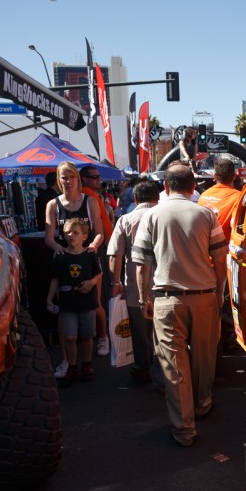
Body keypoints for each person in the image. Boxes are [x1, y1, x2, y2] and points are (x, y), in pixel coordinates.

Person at [133, 163, 228, 447]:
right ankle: (202, 403)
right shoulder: (207, 214)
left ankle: (184, 429)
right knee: (204, 356)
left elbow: (142, 265)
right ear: (192, 187)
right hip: (204, 297)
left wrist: (143, 298)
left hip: (166, 299)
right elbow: (221, 260)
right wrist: (219, 293)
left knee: (174, 366)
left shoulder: (151, 215)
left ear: (165, 186)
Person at [44, 162, 106, 377]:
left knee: (93, 303)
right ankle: (67, 361)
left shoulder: (90, 202)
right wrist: (58, 247)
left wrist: (92, 246)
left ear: (77, 179)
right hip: (64, 261)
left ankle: (100, 341)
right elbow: (49, 237)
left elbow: (100, 232)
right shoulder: (53, 204)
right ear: (58, 180)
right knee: (66, 312)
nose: (68, 181)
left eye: (71, 177)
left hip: (87, 259)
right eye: (63, 177)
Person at [107, 180, 162, 386]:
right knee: (164, 333)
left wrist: (115, 282)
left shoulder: (125, 219)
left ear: (135, 198)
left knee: (140, 333)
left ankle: (143, 368)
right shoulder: (165, 217)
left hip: (135, 286)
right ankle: (164, 373)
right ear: (157, 197)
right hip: (165, 284)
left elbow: (115, 254)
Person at [46, 218, 101, 387]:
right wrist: (49, 298)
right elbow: (55, 278)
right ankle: (72, 366)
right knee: (70, 336)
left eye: (75, 233)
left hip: (86, 301)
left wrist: (91, 283)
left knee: (86, 335)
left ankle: (86, 364)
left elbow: (99, 273)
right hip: (68, 301)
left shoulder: (90, 254)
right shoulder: (60, 256)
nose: (71, 236)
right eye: (68, 232)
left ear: (84, 236)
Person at [198, 158, 244, 353]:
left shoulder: (203, 197)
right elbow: (237, 229)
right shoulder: (238, 198)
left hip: (201, 261)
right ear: (235, 176)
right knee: (224, 306)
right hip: (223, 261)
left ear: (214, 176)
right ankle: (224, 345)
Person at [79, 164, 114, 357]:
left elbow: (103, 223)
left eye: (98, 177)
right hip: (95, 249)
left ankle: (100, 335)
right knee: (98, 296)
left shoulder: (91, 196)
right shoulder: (88, 197)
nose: (98, 180)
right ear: (84, 179)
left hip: (98, 247)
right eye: (94, 177)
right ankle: (100, 335)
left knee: (98, 296)